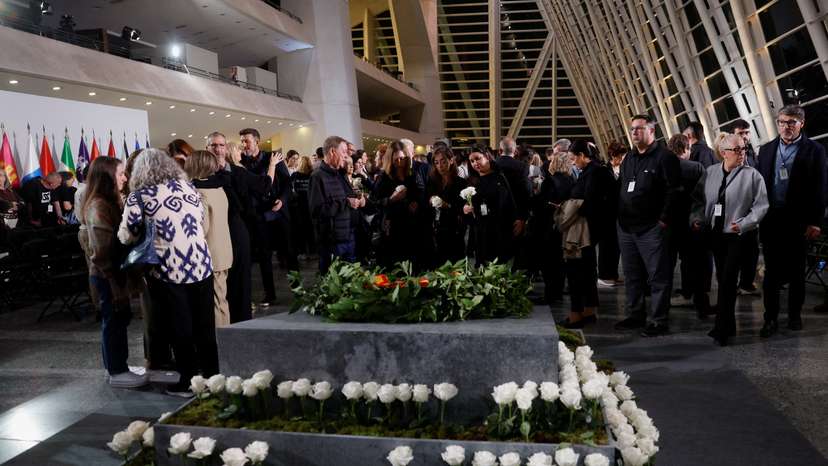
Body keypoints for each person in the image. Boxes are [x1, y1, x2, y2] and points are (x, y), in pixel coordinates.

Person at [119, 148, 217, 396]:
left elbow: (125, 235)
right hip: (202, 264)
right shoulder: (189, 190)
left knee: (180, 327)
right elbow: (201, 221)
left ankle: (188, 382)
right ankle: (214, 376)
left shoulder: (139, 197)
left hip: (169, 270)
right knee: (204, 325)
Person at [691, 132, 768, 346]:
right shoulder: (710, 173)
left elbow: (761, 206)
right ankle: (728, 325)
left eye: (744, 148)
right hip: (716, 235)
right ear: (724, 153)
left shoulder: (753, 175)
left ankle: (722, 329)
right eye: (737, 150)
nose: (742, 153)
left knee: (727, 281)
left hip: (738, 236)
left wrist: (743, 224)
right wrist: (697, 219)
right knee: (723, 280)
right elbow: (698, 200)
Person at [757, 104, 827, 337]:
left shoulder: (815, 150)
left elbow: (821, 188)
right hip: (771, 219)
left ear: (801, 124)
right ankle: (770, 319)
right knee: (771, 274)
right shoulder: (766, 150)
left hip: (798, 221)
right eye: (782, 122)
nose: (785, 127)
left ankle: (794, 316)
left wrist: (815, 221)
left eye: (791, 123)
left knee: (797, 272)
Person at [79, 156, 148, 388]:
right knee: (113, 321)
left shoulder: (109, 201)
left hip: (113, 274)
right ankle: (117, 371)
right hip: (107, 276)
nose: (125, 178)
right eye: (120, 173)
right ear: (107, 176)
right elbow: (102, 253)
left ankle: (117, 366)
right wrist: (116, 285)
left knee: (117, 320)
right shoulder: (98, 206)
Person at [614, 114, 681, 337]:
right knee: (633, 275)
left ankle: (659, 320)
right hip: (626, 227)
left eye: (639, 129)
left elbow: (674, 192)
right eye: (632, 129)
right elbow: (622, 187)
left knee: (658, 276)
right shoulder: (629, 159)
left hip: (651, 228)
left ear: (651, 131)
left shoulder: (665, 157)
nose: (634, 133)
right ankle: (635, 315)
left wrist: (662, 220)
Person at [208, 133, 270, 323]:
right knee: (218, 284)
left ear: (226, 148)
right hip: (213, 235)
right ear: (207, 147)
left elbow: (263, 186)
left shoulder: (238, 172)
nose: (218, 149)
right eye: (213, 145)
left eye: (221, 145)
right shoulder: (202, 175)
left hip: (237, 232)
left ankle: (242, 323)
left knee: (241, 280)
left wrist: (273, 166)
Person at [559, 140, 614, 328]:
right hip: (591, 230)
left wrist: (569, 208)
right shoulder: (597, 171)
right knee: (588, 271)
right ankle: (589, 311)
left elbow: (588, 202)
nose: (573, 162)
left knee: (577, 272)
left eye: (574, 158)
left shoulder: (594, 172)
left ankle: (577, 314)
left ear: (583, 155)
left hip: (584, 230)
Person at [240, 128, 295, 306]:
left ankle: (298, 289)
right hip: (259, 216)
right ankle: (269, 294)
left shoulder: (273, 157)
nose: (244, 144)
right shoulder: (242, 163)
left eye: (246, 141)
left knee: (288, 252)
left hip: (278, 213)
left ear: (257, 141)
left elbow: (287, 183)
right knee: (264, 256)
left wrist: (282, 200)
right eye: (242, 141)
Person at [666, 134, 713, 319]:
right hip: (691, 225)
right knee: (694, 264)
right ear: (687, 149)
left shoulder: (662, 168)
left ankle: (662, 305)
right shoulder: (696, 168)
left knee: (666, 266)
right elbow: (703, 196)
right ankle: (700, 304)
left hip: (668, 225)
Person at [185, 150, 233, 328]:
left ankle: (220, 343)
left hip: (212, 255)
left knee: (217, 302)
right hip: (223, 251)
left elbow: (202, 228)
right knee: (220, 299)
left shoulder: (199, 191)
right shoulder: (219, 188)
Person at [309, 136, 364, 273]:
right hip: (331, 242)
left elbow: (349, 198)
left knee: (349, 283)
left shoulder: (340, 174)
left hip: (348, 236)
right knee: (332, 286)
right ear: (333, 151)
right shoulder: (317, 177)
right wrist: (346, 203)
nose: (346, 156)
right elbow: (317, 211)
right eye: (344, 152)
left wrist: (360, 200)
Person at [463, 147, 517, 265]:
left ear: (487, 157)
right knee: (482, 266)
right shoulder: (472, 181)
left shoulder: (500, 177)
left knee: (498, 265)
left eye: (477, 159)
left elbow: (508, 203)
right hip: (480, 230)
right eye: (472, 161)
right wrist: (466, 208)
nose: (475, 163)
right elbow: (467, 203)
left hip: (498, 229)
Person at [373, 141, 423, 268]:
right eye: (396, 160)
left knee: (412, 264)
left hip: (412, 226)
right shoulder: (384, 177)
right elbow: (375, 203)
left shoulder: (411, 174)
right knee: (395, 265)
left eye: (402, 159)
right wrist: (391, 199)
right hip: (393, 227)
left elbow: (420, 193)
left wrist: (416, 202)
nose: (399, 163)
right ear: (390, 159)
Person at [535, 154, 574, 304]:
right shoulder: (571, 180)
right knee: (560, 262)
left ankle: (551, 294)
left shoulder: (550, 181)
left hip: (549, 225)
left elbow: (542, 203)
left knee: (549, 263)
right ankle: (558, 292)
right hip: (565, 225)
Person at [730, 119, 760, 295]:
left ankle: (746, 283)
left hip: (752, 210)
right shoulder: (727, 153)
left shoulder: (751, 154)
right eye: (741, 133)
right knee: (735, 249)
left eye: (747, 132)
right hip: (735, 209)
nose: (745, 136)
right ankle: (732, 283)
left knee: (751, 249)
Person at [426, 147, 468, 266]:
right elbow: (425, 201)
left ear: (451, 160)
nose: (440, 165)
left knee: (455, 265)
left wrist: (447, 205)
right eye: (436, 162)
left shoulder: (460, 183)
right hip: (436, 229)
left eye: (443, 161)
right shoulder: (432, 181)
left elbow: (462, 209)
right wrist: (430, 200)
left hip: (454, 230)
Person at [597, 141, 626, 287]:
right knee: (606, 245)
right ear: (613, 155)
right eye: (619, 156)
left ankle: (613, 274)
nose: (621, 159)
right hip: (607, 213)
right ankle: (604, 274)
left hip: (618, 212)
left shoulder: (623, 169)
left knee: (616, 245)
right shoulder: (604, 170)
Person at [290, 155, 316, 259]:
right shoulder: (313, 175)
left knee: (301, 230)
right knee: (311, 230)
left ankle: (302, 252)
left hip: (299, 207)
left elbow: (291, 190)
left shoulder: (295, 175)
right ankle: (313, 251)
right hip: (310, 206)